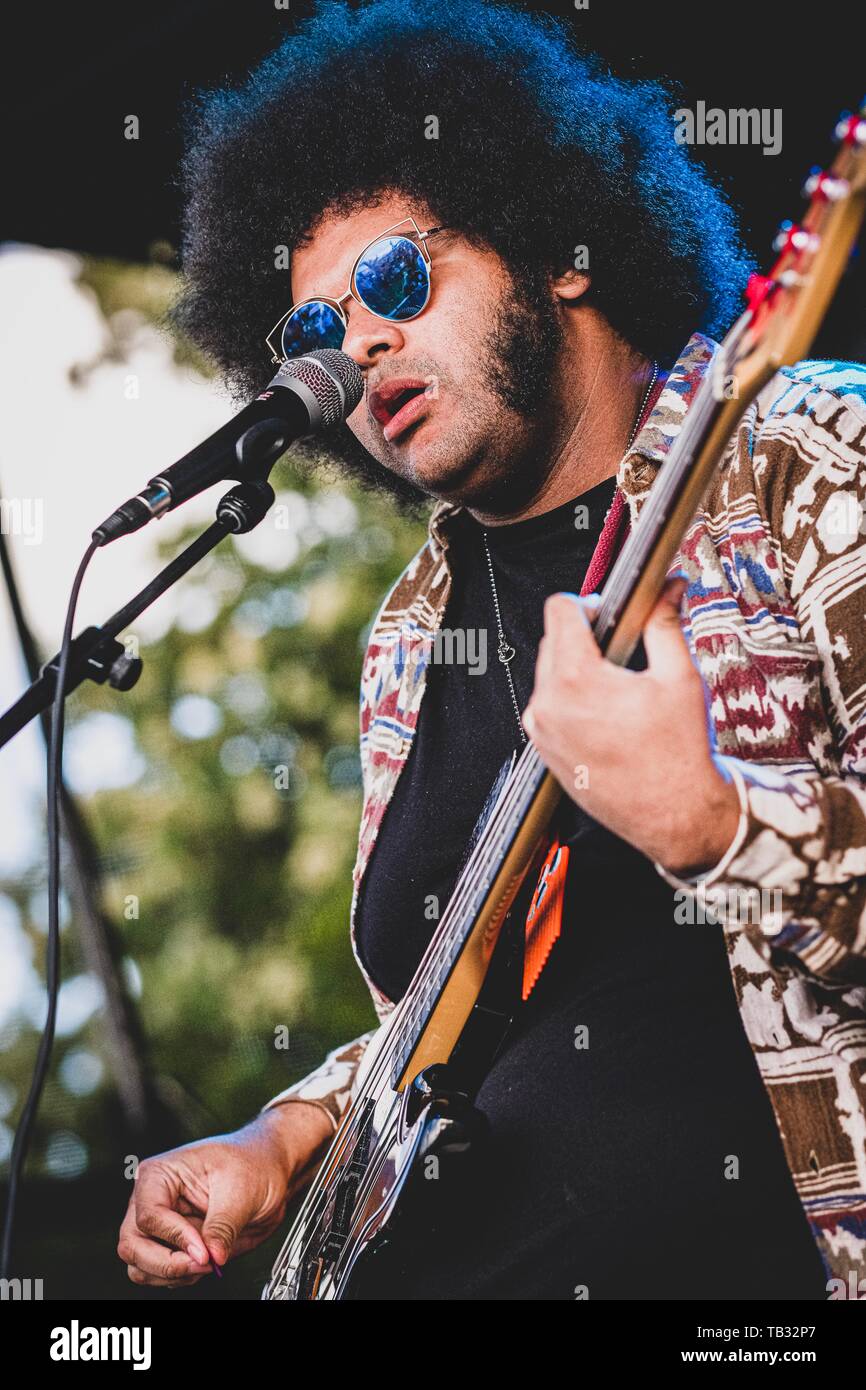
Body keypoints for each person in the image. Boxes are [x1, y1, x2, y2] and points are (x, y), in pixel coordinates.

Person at [117, 0, 866, 1299]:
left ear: (557, 247)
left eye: (395, 280)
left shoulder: (808, 455)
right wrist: (282, 1134)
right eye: (307, 333)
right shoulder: (408, 638)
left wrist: (715, 828)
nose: (352, 344)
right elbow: (461, 1010)